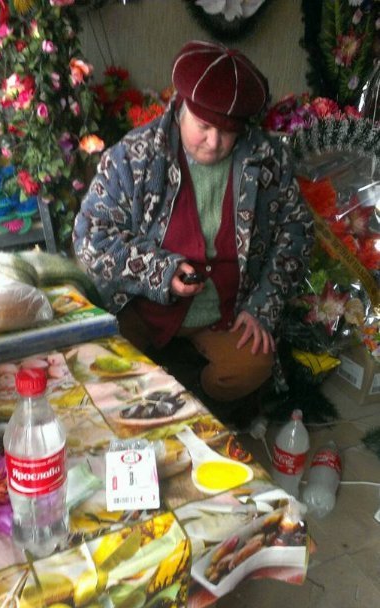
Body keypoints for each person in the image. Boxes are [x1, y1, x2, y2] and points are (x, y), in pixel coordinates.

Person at [73, 40, 314, 414]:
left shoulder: (268, 159)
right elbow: (90, 236)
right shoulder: (134, 155)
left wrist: (262, 305)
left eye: (227, 132)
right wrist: (159, 270)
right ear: (181, 108)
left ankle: (193, 397)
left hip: (227, 312)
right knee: (101, 363)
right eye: (203, 126)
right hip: (142, 308)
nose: (214, 142)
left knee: (252, 366)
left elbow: (296, 231)